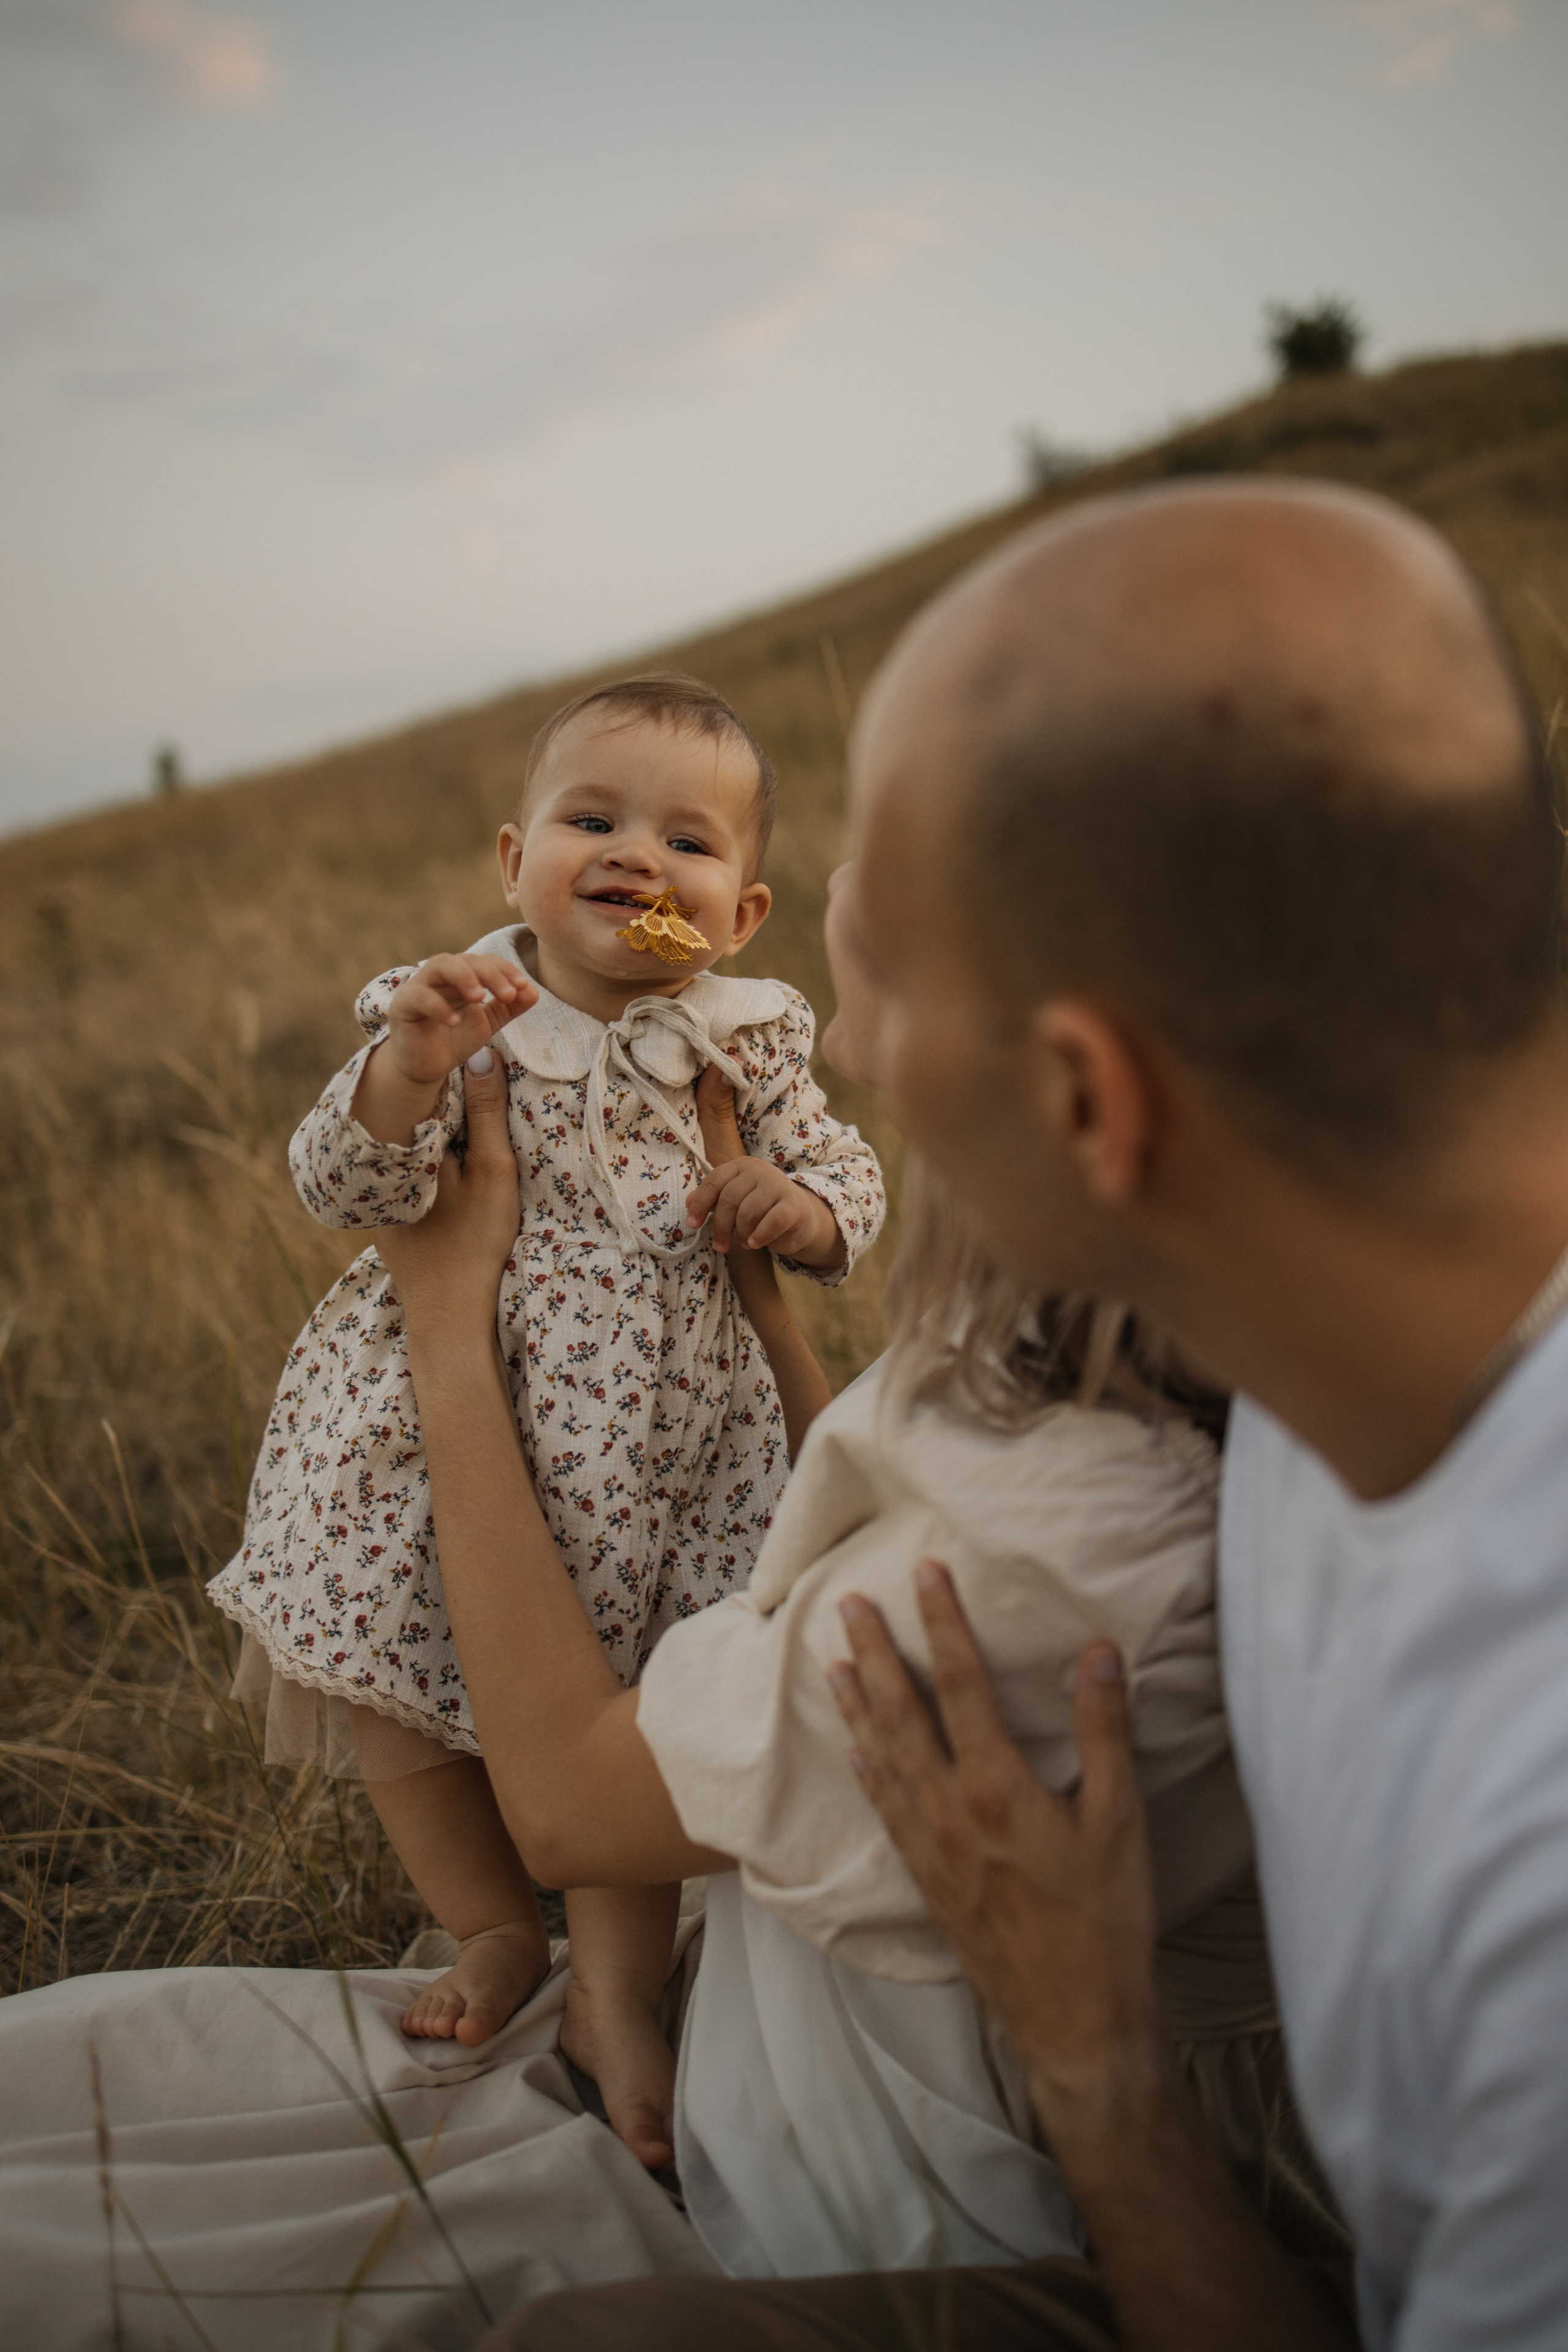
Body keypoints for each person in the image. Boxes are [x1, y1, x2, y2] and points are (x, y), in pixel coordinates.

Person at [205, 668, 885, 2168]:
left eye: (685, 843)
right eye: (593, 820)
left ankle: (620, 1999)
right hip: (445, 1437)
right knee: (390, 1676)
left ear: (744, 913)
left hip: (672, 1446)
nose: (638, 859)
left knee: (646, 1702)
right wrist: (405, 1073)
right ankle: (495, 1928)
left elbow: (849, 1176)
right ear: (513, 864)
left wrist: (805, 1214)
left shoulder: (748, 1037)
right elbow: (351, 1190)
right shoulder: (465, 1018)